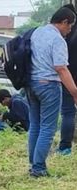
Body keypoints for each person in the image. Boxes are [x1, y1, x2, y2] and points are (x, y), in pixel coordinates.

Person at [25, 7, 77, 177]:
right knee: (48, 128)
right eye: (70, 27)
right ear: (64, 22)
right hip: (49, 86)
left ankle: (33, 164)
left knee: (35, 126)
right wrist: (75, 92)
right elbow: (61, 68)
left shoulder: (36, 32)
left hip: (31, 85)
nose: (69, 31)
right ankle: (38, 168)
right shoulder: (57, 39)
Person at [57, 4, 77, 156]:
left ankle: (65, 148)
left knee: (68, 113)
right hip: (69, 75)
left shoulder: (64, 34)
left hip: (68, 77)